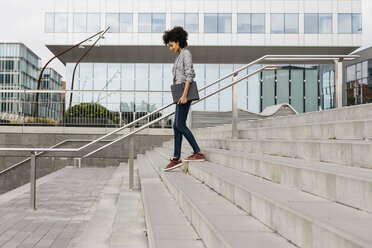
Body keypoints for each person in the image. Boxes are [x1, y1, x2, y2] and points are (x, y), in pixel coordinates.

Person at [162, 26, 205, 171]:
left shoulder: (186, 54)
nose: (170, 48)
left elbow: (189, 75)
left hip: (184, 94)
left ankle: (197, 152)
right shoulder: (178, 57)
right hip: (180, 95)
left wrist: (185, 95)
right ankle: (176, 158)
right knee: (176, 125)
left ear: (177, 41)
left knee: (180, 124)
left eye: (171, 45)